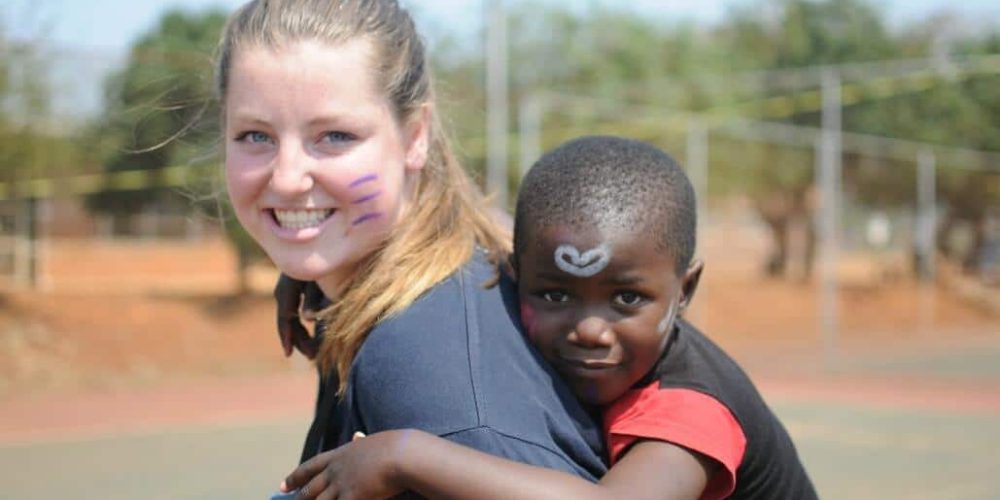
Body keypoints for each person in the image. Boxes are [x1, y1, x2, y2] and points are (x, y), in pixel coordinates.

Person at [280, 136, 818, 499]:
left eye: (627, 300)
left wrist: (406, 453)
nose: (589, 327)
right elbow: (463, 234)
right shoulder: (540, 278)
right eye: (557, 296)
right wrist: (320, 267)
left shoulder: (691, 408)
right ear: (518, 274)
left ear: (687, 289)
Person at [213, 0, 607, 494]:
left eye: (335, 136)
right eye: (255, 136)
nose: (288, 178)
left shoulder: (422, 361)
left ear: (414, 137)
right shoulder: (364, 286)